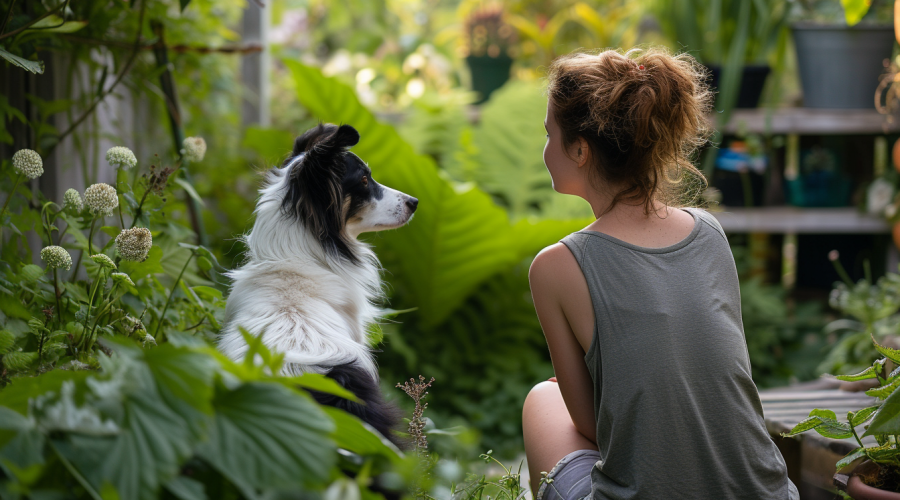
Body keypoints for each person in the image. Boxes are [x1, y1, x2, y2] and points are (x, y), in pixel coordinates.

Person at [523, 47, 800, 500]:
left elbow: (591, 427)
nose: (545, 148)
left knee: (543, 398)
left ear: (579, 149)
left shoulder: (557, 265)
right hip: (768, 493)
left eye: (549, 134)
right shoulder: (709, 232)